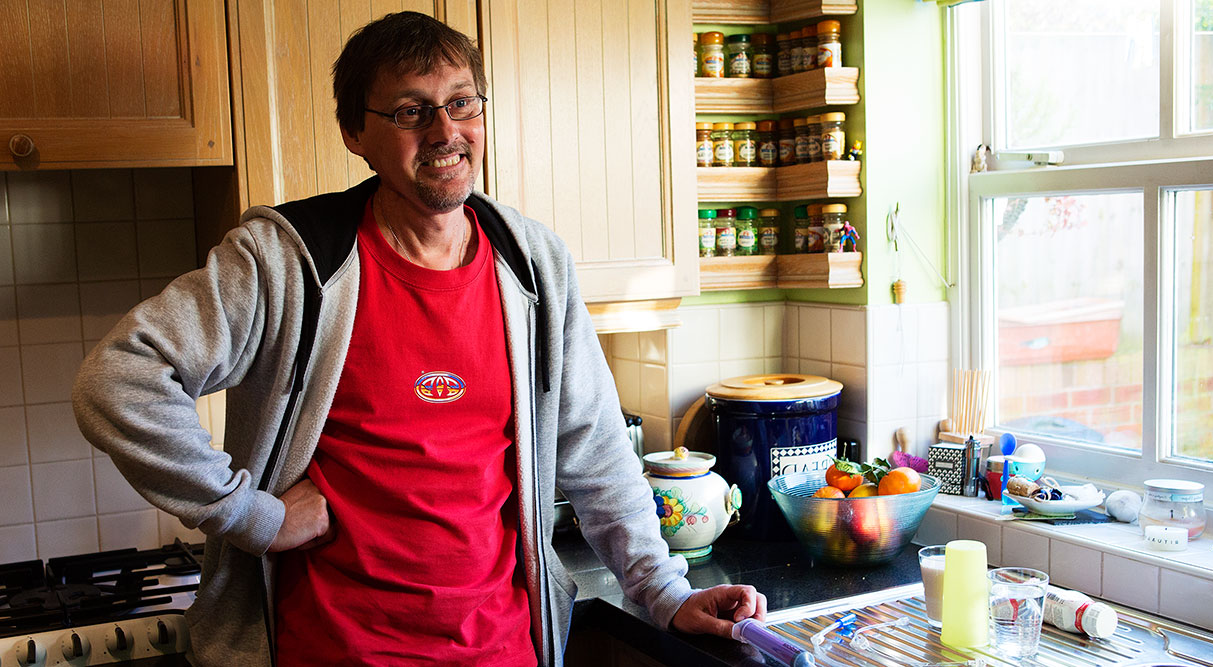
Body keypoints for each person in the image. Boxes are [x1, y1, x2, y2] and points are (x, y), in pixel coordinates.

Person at [73, 11, 765, 666]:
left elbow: (598, 454)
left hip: (502, 649)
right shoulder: (289, 263)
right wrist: (254, 515)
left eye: (462, 103)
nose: (445, 131)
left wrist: (665, 591)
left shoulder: (532, 266)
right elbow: (118, 381)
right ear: (355, 132)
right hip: (335, 651)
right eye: (411, 111)